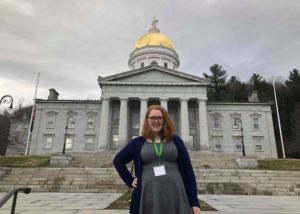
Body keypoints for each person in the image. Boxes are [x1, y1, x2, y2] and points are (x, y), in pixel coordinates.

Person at [113, 105, 200, 214]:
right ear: (147, 120)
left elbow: (188, 169)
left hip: (176, 195)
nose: (156, 121)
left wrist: (194, 202)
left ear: (164, 120)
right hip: (148, 196)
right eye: (152, 118)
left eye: (159, 118)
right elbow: (118, 160)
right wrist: (129, 180)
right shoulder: (138, 143)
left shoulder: (175, 140)